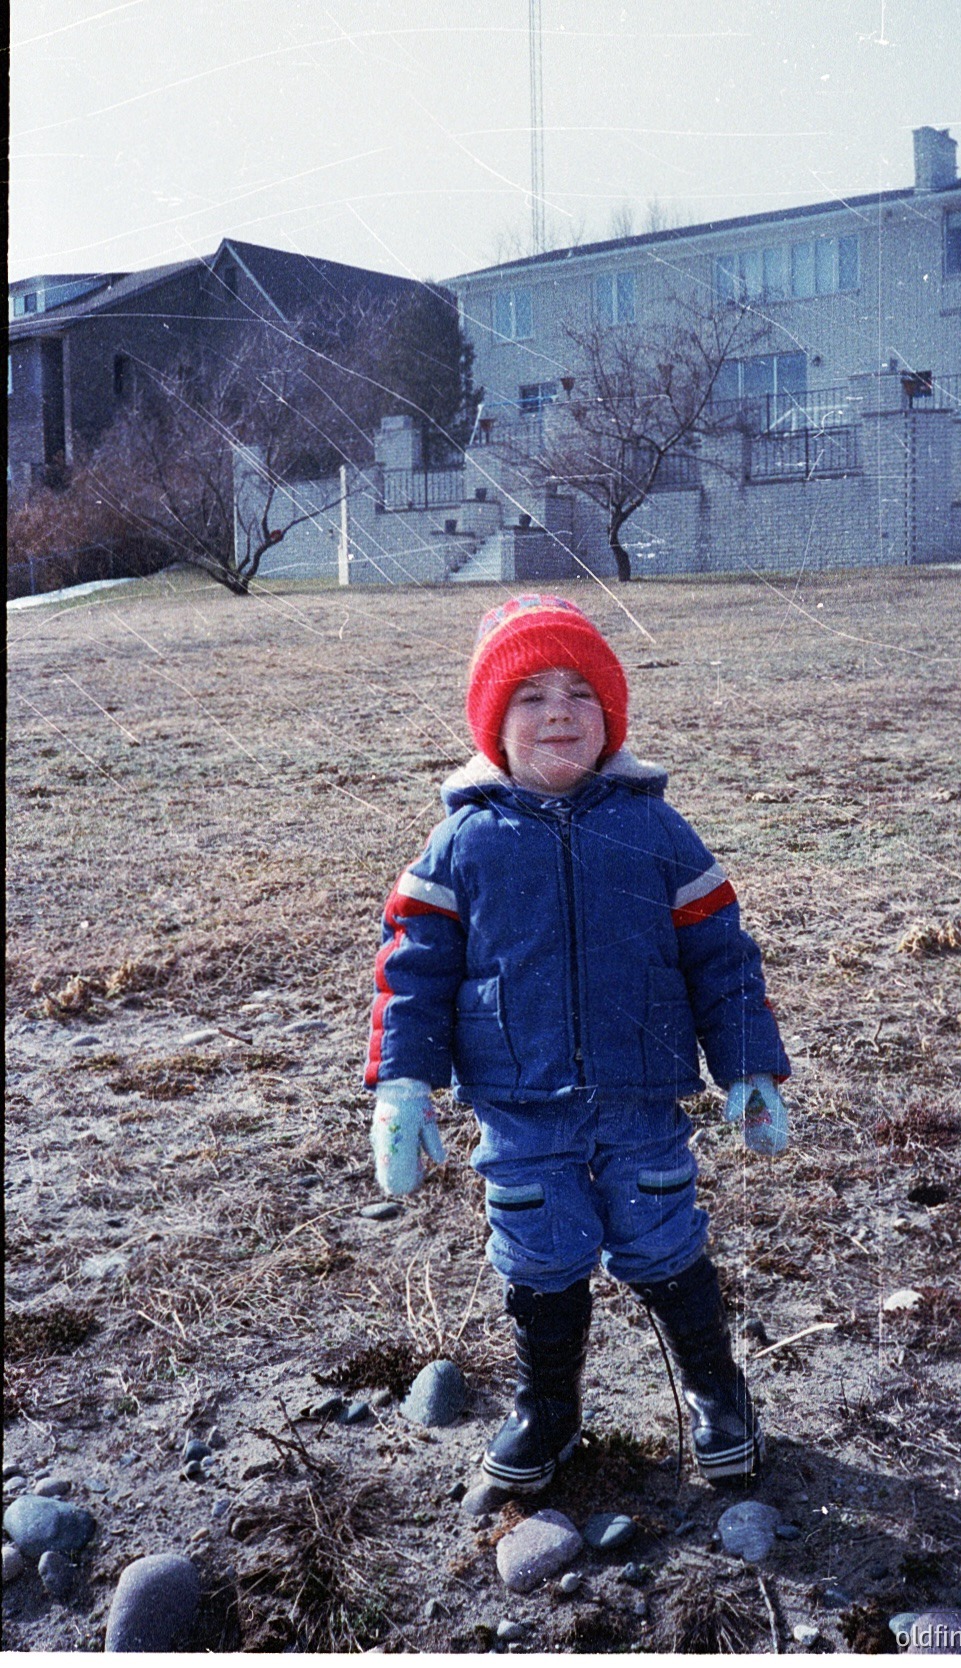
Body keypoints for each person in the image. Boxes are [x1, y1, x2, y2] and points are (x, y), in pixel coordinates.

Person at [365, 594, 791, 1492]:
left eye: (579, 692)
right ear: (493, 725)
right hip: (518, 1105)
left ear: (609, 718)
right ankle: (548, 1408)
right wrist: (404, 1084)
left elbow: (721, 953)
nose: (558, 709)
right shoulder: (460, 844)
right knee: (539, 1248)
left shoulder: (655, 829)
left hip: (642, 1098)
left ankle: (716, 1388)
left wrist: (749, 1064)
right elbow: (413, 970)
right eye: (529, 694)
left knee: (662, 1232)